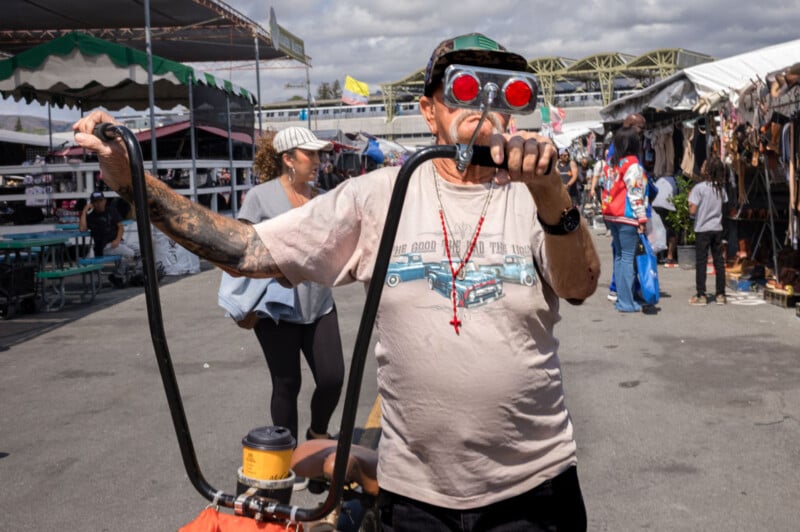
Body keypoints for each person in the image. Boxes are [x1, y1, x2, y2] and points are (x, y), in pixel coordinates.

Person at [73, 32, 600, 531]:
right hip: (416, 498)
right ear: (428, 111)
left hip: (535, 489)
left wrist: (552, 195)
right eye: (463, 89)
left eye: (502, 93)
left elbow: (578, 285)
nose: (484, 107)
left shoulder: (536, 196)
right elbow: (248, 249)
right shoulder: (380, 194)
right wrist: (134, 182)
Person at [239, 127, 345, 454]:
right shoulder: (260, 197)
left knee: (332, 379)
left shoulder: (324, 198)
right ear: (288, 159)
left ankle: (317, 433)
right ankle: (286, 458)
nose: (317, 160)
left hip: (320, 305)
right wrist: (246, 302)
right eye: (309, 154)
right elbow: (240, 249)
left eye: (318, 154)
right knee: (287, 384)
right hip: (275, 309)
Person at [601, 126, 649, 313]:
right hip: (627, 216)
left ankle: (622, 299)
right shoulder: (633, 164)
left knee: (620, 258)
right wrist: (642, 217)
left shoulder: (611, 163)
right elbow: (635, 192)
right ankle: (627, 302)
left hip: (611, 214)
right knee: (628, 258)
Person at [688, 156, 728, 305]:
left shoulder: (699, 188)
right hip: (717, 228)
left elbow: (692, 210)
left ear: (708, 171)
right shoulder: (721, 189)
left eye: (705, 165)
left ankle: (701, 295)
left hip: (702, 229)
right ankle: (720, 294)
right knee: (719, 261)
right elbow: (725, 207)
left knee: (701, 262)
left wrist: (689, 201)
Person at [78, 190, 139, 287]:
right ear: (92, 204)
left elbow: (120, 227)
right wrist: (85, 211)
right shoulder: (91, 217)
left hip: (118, 243)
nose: (99, 204)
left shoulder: (111, 210)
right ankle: (117, 276)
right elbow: (82, 228)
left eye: (100, 201)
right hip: (104, 247)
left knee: (140, 250)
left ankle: (136, 275)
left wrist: (117, 240)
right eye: (96, 202)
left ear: (105, 201)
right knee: (130, 253)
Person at [651, 175, 678, 266]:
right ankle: (670, 256)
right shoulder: (675, 181)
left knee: (657, 229)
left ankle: (656, 255)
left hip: (655, 204)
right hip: (667, 206)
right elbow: (676, 197)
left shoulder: (659, 179)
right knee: (671, 231)